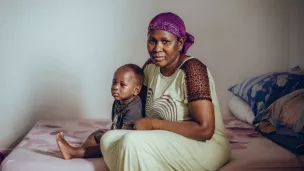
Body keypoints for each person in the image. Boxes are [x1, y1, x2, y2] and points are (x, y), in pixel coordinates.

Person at [100, 12, 231, 171]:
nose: (157, 48)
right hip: (164, 138)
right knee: (108, 139)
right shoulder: (150, 67)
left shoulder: (193, 70)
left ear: (180, 43)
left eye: (165, 41)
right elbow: (134, 102)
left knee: (131, 143)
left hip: (204, 145)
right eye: (152, 41)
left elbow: (205, 130)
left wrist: (154, 124)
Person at [56, 64, 144, 160]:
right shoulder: (118, 101)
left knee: (105, 144)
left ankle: (74, 153)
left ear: (136, 90)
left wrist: (108, 138)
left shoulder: (134, 109)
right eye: (114, 83)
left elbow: (125, 136)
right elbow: (115, 123)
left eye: (122, 85)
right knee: (97, 133)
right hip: (116, 133)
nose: (115, 87)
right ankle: (82, 149)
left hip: (124, 140)